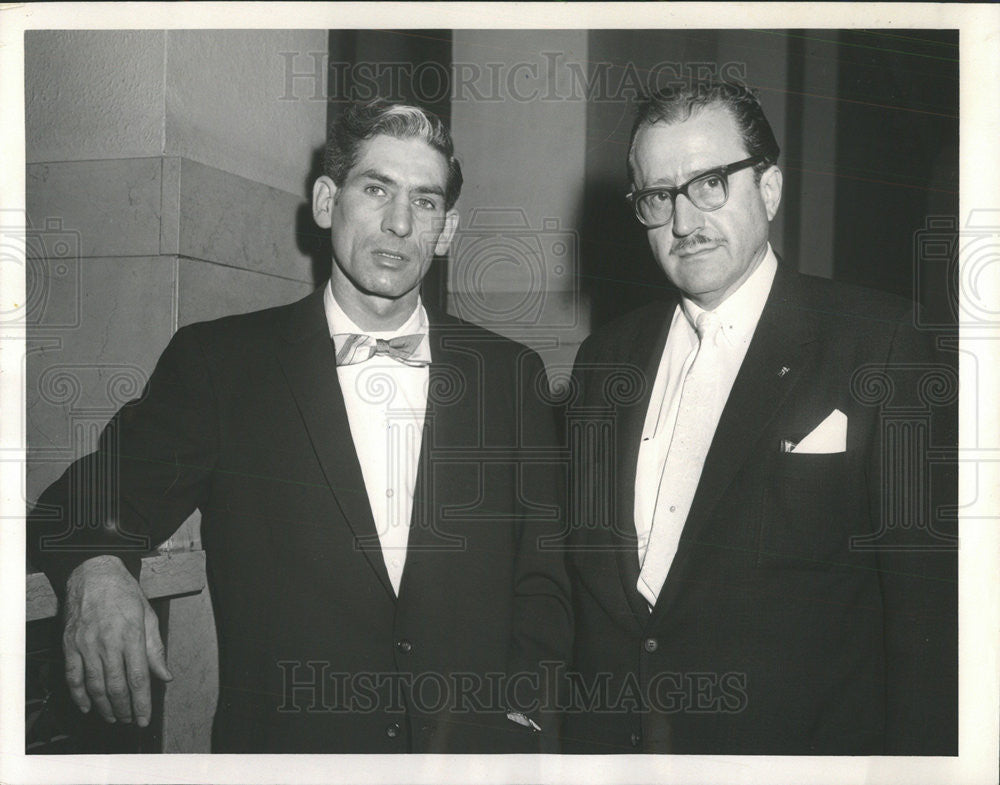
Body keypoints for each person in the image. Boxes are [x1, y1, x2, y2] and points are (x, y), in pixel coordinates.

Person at [27, 99, 572, 754]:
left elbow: (549, 575)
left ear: (447, 230)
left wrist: (525, 707)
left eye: (425, 202)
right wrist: (96, 567)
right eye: (376, 190)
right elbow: (83, 502)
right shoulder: (222, 364)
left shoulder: (511, 376)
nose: (400, 223)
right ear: (324, 201)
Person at [563, 81, 957, 755]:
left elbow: (931, 624)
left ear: (769, 189)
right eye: (659, 196)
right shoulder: (603, 361)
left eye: (710, 183)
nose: (685, 221)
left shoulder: (880, 342)